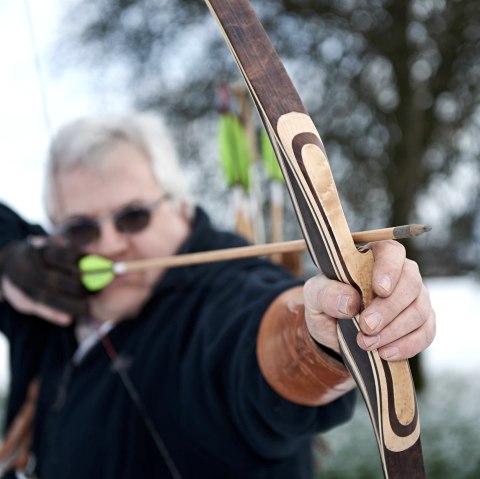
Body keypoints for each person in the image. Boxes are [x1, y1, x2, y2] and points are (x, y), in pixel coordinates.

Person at [0, 112, 436, 479]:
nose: (110, 245)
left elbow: (261, 335)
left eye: (133, 217)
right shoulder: (42, 294)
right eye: (80, 228)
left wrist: (320, 332)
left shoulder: (224, 288)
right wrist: (7, 258)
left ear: (182, 207)